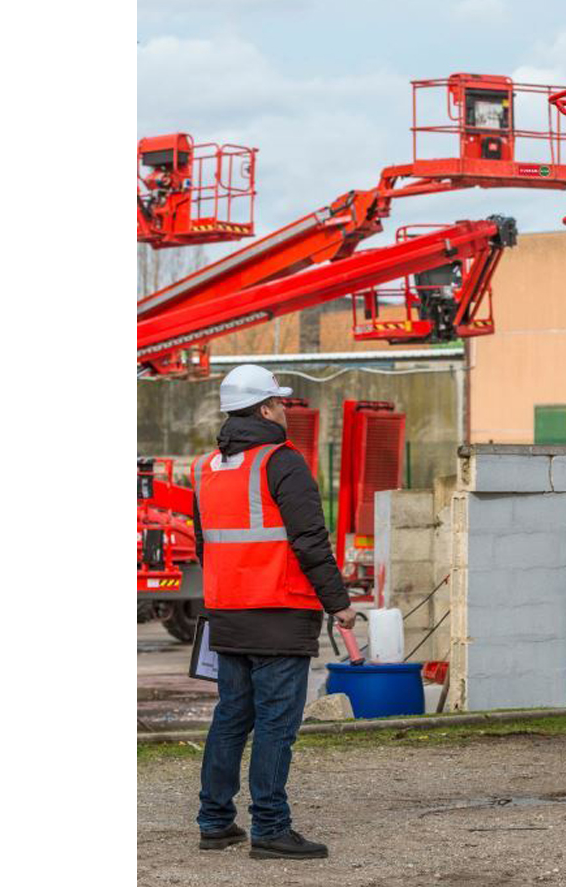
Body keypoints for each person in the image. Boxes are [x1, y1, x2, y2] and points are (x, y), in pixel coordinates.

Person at [190, 364, 355, 861]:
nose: (284, 409)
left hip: (229, 615)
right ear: (265, 409)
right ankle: (270, 828)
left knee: (231, 719)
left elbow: (206, 547)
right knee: (276, 726)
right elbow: (311, 543)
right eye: (280, 402)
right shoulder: (282, 463)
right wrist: (340, 604)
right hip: (281, 613)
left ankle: (215, 822)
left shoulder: (205, 470)